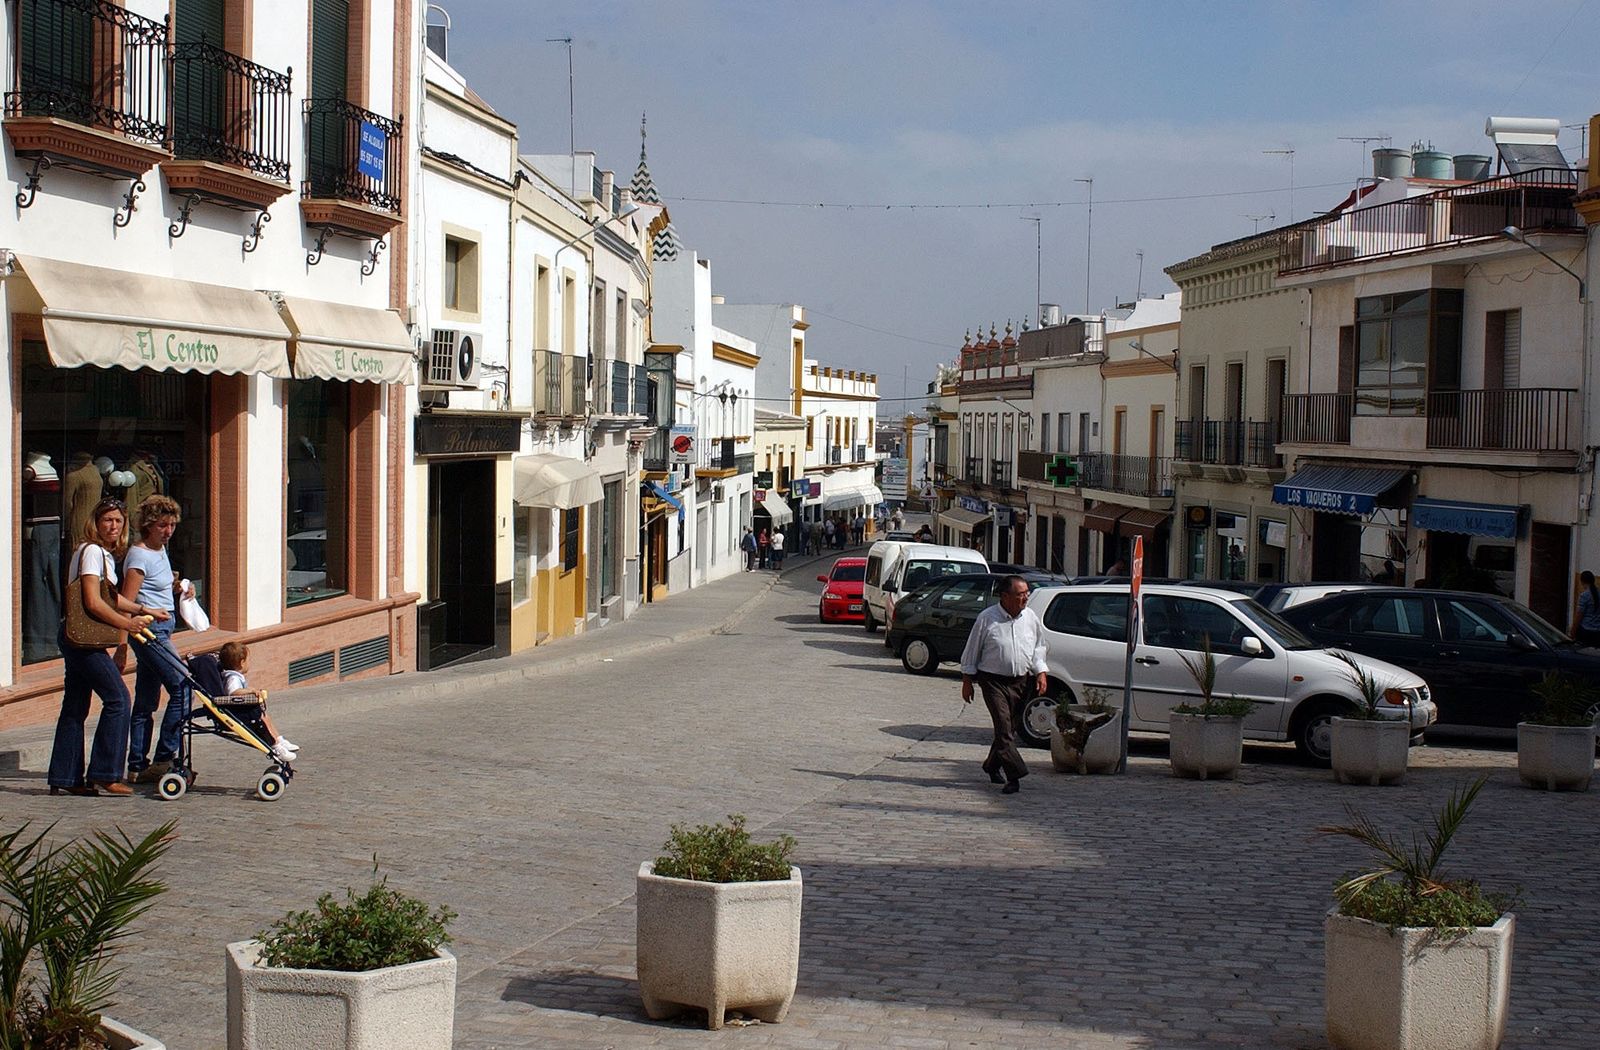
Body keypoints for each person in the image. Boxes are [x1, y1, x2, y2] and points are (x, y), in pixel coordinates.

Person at [48, 497, 154, 797]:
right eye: (107, 519)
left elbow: (110, 598)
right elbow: (93, 602)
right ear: (96, 522)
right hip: (82, 641)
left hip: (77, 637)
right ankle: (105, 773)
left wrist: (142, 608)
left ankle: (65, 777)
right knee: (119, 699)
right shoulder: (92, 551)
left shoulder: (99, 554)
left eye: (118, 521)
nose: (113, 525)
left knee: (75, 706)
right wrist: (126, 625)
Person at [121, 495, 195, 782]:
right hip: (149, 632)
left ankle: (137, 765)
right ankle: (164, 757)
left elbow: (159, 585)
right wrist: (120, 645)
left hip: (164, 628)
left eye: (173, 525)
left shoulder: (160, 550)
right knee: (183, 686)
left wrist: (181, 588)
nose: (169, 531)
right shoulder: (139, 555)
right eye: (163, 525)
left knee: (146, 701)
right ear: (149, 525)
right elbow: (125, 601)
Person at [958, 575, 1048, 794]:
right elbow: (972, 650)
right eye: (1020, 594)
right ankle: (1014, 775)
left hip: (1021, 681)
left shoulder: (1030, 617)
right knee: (1003, 727)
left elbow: (1039, 647)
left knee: (1010, 728)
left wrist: (1041, 672)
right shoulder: (987, 618)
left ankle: (991, 765)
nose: (1025, 597)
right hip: (992, 681)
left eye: (1027, 592)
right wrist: (967, 681)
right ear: (1005, 596)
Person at [218, 641, 299, 763]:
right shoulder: (232, 678)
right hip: (240, 712)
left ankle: (279, 739)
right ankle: (276, 746)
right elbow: (233, 692)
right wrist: (248, 691)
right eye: (248, 660)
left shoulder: (235, 676)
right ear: (242, 663)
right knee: (262, 720)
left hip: (243, 709)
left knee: (265, 717)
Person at [1573, 570, 1600, 646]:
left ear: (1582, 581)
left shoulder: (1584, 596)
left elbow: (1579, 616)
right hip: (1598, 632)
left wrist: (1573, 631)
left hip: (1586, 631)